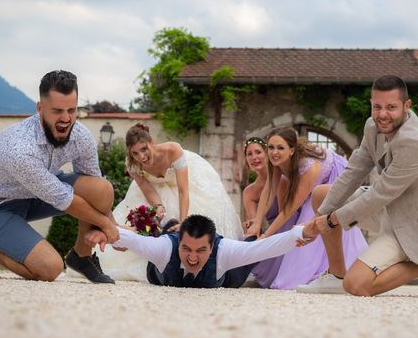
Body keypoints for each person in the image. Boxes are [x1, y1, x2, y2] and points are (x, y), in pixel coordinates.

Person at [296, 74, 418, 297]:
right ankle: (336, 276)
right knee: (321, 196)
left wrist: (329, 221)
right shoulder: (372, 127)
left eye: (391, 107)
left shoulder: (415, 141)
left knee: (356, 286)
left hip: (416, 224)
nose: (382, 114)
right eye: (377, 107)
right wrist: (319, 217)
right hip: (388, 211)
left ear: (406, 106)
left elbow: (379, 194)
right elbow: (354, 171)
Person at [0, 70, 117, 283]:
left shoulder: (81, 136)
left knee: (102, 189)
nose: (66, 118)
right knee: (50, 269)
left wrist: (113, 225)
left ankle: (82, 256)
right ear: (40, 108)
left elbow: (95, 190)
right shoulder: (20, 148)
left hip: (34, 194)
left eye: (72, 110)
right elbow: (64, 200)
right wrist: (106, 225)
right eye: (57, 111)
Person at [95, 123, 244, 281]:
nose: (141, 157)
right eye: (135, 153)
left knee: (193, 217)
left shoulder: (173, 150)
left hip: (188, 182)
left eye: (144, 149)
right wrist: (158, 206)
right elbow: (146, 187)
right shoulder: (132, 164)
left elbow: (183, 190)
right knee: (149, 220)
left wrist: (183, 221)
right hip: (156, 190)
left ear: (151, 142)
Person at [246, 128, 368, 289]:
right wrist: (257, 222)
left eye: (280, 148)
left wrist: (266, 236)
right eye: (271, 147)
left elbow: (290, 208)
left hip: (335, 177)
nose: (274, 152)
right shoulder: (275, 160)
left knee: (310, 222)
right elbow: (269, 191)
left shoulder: (311, 167)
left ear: (292, 150)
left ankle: (325, 273)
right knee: (301, 223)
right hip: (313, 183)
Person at [87, 214, 316, 288]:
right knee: (162, 236)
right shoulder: (165, 248)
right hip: (161, 273)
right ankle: (172, 225)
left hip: (223, 276)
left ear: (212, 245)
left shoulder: (224, 250)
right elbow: (130, 238)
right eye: (186, 249)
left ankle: (248, 234)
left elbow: (264, 248)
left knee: (248, 252)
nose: (193, 257)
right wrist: (103, 231)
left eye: (201, 250)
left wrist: (300, 234)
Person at [242, 137, 299, 235]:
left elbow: (285, 221)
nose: (254, 157)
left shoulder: (281, 181)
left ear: (268, 155)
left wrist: (265, 237)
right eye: (249, 154)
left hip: (288, 230)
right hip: (269, 234)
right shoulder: (249, 192)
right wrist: (251, 224)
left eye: (258, 152)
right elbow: (255, 226)